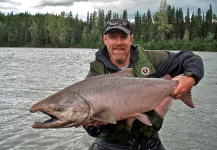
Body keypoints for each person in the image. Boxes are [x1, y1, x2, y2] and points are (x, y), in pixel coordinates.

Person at [83, 18, 204, 150]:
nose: (118, 42)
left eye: (123, 37)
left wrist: (190, 78)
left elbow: (191, 58)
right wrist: (92, 126)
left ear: (131, 39)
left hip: (149, 141)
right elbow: (82, 117)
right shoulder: (95, 76)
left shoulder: (151, 60)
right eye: (113, 37)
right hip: (110, 143)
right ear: (105, 39)